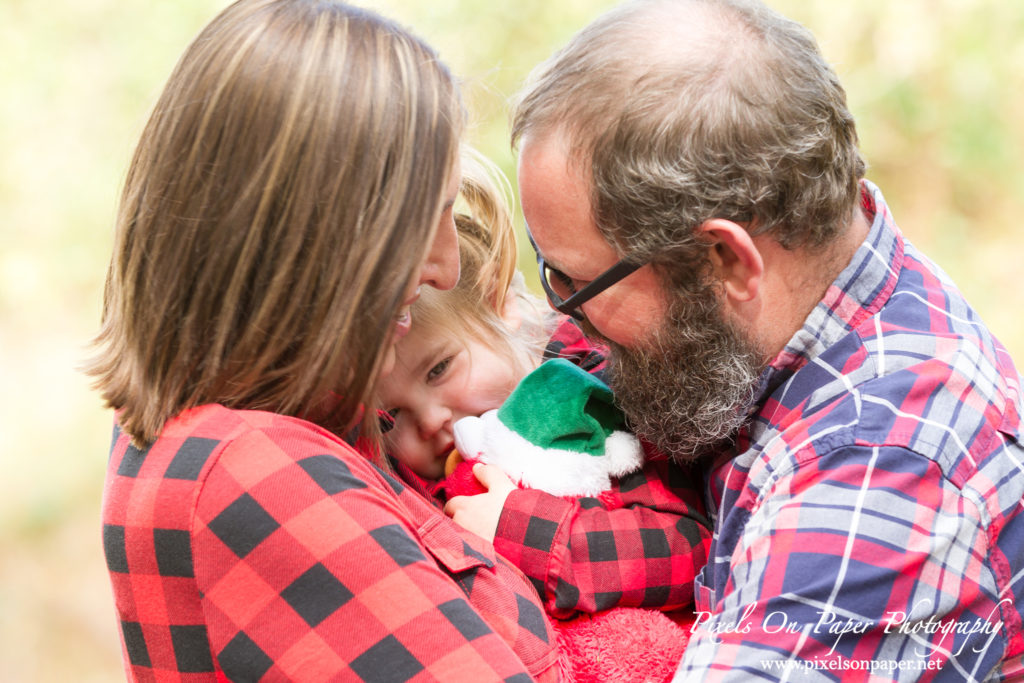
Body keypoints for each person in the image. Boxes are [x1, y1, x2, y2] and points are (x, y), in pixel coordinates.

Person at [500, 0, 1024, 679]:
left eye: (573, 284)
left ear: (724, 260)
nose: (567, 320)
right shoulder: (802, 301)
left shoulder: (879, 478)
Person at [87, 2, 559, 680]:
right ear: (318, 235)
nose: (446, 268)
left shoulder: (275, 422)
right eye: (422, 220)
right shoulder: (252, 470)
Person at [378, 153, 711, 623]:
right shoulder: (415, 483)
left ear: (502, 306)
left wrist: (516, 529)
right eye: (393, 414)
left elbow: (689, 551)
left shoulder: (596, 398)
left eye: (439, 370)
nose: (430, 421)